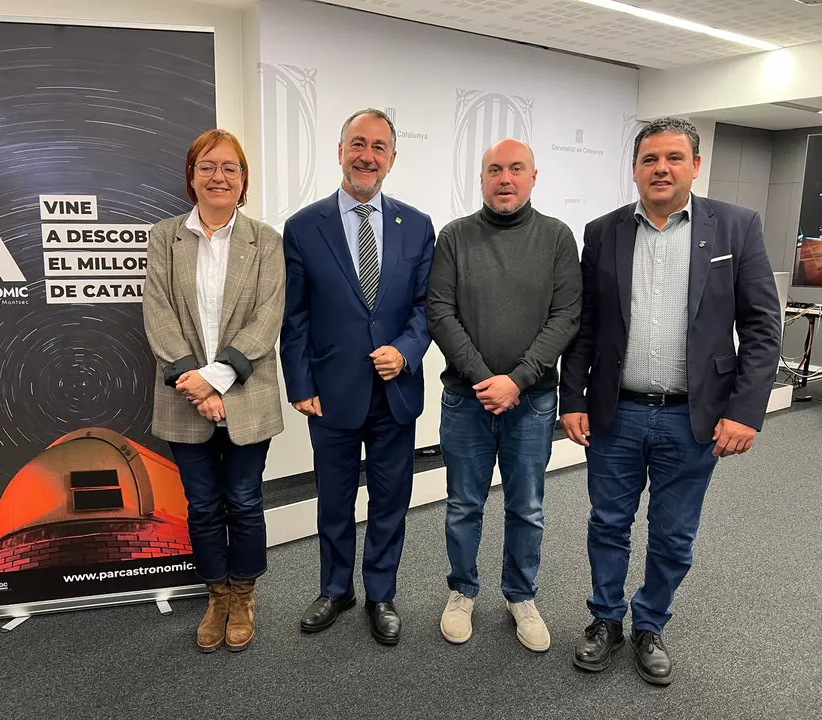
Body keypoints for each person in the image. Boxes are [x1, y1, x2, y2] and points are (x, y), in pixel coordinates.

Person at [559, 117, 782, 685]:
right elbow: (584, 327)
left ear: (695, 166)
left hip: (694, 417)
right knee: (608, 522)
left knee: (674, 532)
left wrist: (744, 410)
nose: (661, 168)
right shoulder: (603, 231)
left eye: (674, 158)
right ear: (634, 168)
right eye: (650, 159)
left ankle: (651, 623)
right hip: (618, 412)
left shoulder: (735, 228)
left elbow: (762, 328)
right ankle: (605, 619)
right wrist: (573, 397)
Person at [280, 108, 435, 645]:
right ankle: (334, 589)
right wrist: (300, 385)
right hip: (331, 395)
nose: (367, 155)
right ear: (340, 150)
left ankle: (381, 594)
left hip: (394, 393)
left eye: (379, 147)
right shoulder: (303, 226)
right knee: (334, 499)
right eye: (358, 144)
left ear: (392, 158)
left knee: (391, 500)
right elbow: (294, 315)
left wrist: (408, 350)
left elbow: (425, 306)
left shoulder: (416, 224)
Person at [426, 139, 582, 651]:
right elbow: (440, 312)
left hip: (533, 402)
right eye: (495, 169)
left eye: (516, 169)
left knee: (528, 508)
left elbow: (566, 318)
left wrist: (517, 379)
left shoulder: (557, 238)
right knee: (463, 505)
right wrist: (484, 379)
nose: (505, 178)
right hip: (465, 402)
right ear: (482, 178)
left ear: (534, 177)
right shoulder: (454, 237)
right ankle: (463, 591)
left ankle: (521, 595)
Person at [143, 129, 286, 653]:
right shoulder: (164, 237)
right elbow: (157, 314)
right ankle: (217, 596)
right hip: (184, 394)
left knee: (245, 501)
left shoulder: (265, 240)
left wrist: (218, 379)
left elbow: (267, 318)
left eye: (229, 167)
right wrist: (197, 385)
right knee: (202, 505)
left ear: (243, 179)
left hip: (244, 393)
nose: (218, 176)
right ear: (191, 176)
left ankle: (244, 594)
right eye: (207, 167)